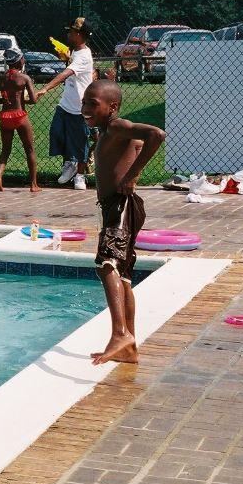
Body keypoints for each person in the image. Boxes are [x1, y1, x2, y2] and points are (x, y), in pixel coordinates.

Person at [81, 80, 165, 365]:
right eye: (84, 102)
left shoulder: (117, 126)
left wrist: (132, 176)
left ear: (112, 107)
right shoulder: (108, 131)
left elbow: (156, 134)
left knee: (107, 265)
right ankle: (129, 344)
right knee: (124, 277)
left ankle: (120, 334)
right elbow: (140, 142)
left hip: (120, 204)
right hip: (117, 206)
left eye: (93, 104)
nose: (85, 109)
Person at [36, 17, 95, 190]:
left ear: (78, 34)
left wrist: (45, 89)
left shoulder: (84, 55)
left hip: (79, 108)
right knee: (56, 133)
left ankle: (80, 176)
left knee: (80, 142)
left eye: (71, 31)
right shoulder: (76, 52)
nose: (68, 34)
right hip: (65, 104)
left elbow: (66, 74)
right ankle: (69, 163)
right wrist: (67, 57)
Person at [0, 49, 40, 193]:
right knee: (29, 149)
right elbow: (33, 100)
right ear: (20, 61)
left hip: (5, 116)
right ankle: (34, 184)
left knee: (5, 150)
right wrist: (21, 99)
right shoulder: (24, 78)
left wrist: (6, 100)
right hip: (20, 116)